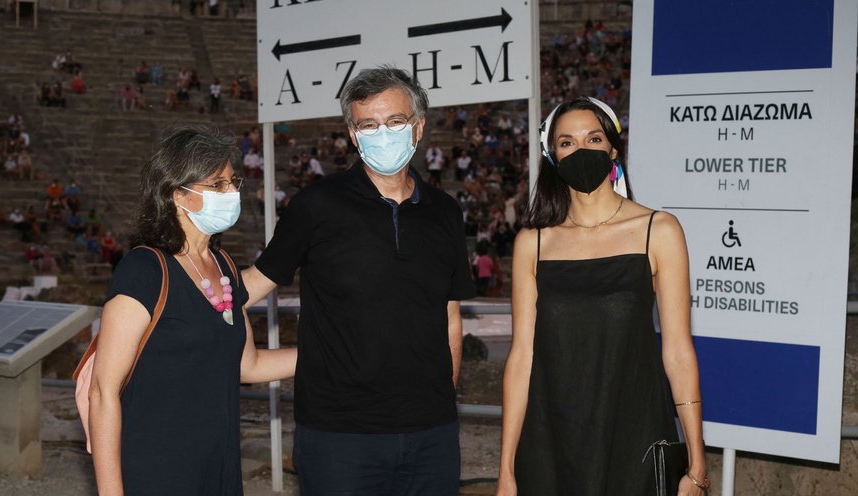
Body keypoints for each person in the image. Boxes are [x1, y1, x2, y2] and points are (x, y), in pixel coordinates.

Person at [242, 66, 475, 495]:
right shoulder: (316, 205)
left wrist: (443, 403)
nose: (382, 133)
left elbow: (449, 316)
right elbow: (250, 287)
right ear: (352, 134)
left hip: (432, 437)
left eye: (395, 120)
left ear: (419, 126)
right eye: (368, 124)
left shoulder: (445, 212)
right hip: (339, 439)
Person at [496, 97, 708, 495]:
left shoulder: (659, 230)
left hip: (635, 440)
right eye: (567, 142)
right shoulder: (533, 243)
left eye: (593, 138)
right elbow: (522, 357)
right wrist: (506, 470)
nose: (581, 150)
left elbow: (679, 352)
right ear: (552, 156)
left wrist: (697, 462)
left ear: (613, 149)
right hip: (550, 443)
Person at [89, 125, 296, 495]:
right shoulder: (144, 270)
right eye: (217, 185)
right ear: (176, 194)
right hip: (157, 470)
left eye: (232, 182)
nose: (231, 193)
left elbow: (248, 366)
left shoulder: (224, 266)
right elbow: (103, 391)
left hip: (218, 466)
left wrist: (328, 352)